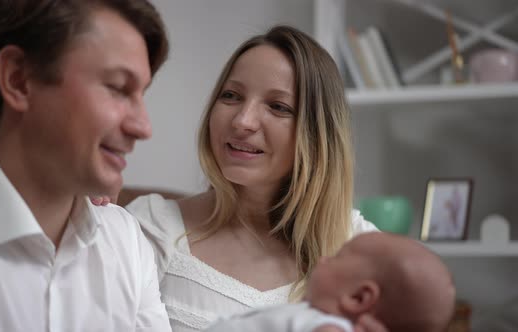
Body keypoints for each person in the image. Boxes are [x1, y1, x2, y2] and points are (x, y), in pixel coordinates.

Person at [0, 1, 171, 331]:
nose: (144, 127)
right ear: (18, 79)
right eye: (117, 88)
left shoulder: (126, 240)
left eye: (142, 94)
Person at [124, 25, 385, 332]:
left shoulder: (361, 247)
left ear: (318, 135)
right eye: (231, 95)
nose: (242, 120)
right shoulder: (148, 229)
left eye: (278, 106)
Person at [204, 232, 456, 332]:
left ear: (358, 298)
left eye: (338, 257)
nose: (323, 259)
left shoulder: (329, 327)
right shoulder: (311, 317)